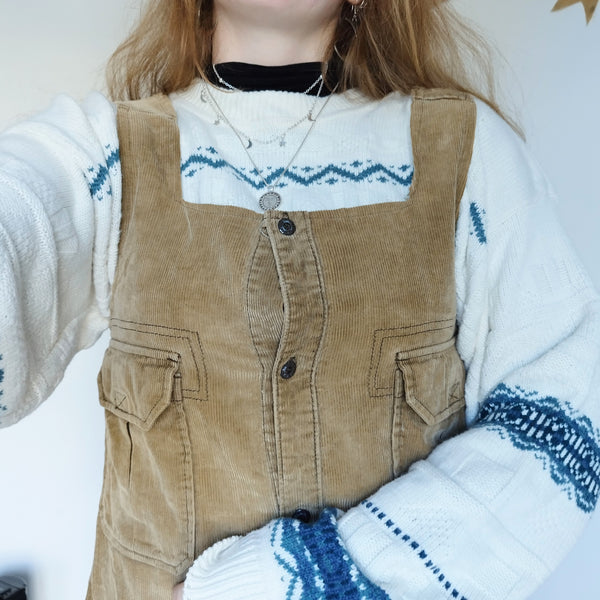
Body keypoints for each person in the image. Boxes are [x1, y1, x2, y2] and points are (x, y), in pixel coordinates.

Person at [1, 0, 599, 599]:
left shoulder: (465, 153)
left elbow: (568, 420)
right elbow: (20, 214)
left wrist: (304, 582)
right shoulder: (108, 152)